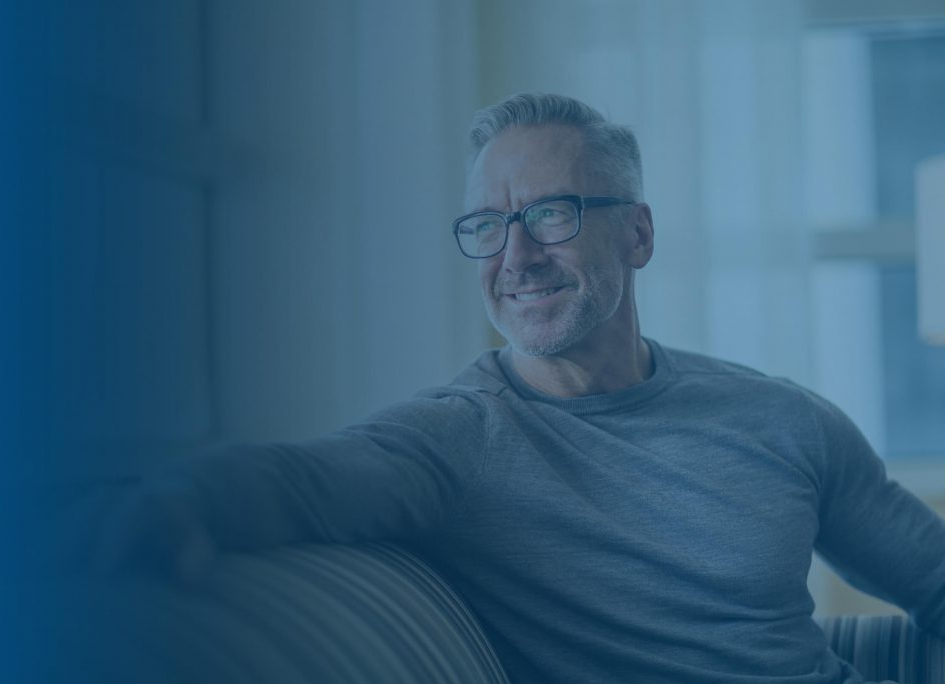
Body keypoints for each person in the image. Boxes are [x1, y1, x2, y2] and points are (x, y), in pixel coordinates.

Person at [96, 93, 945, 684]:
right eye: (487, 226)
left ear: (638, 231)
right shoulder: (454, 442)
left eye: (550, 214)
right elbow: (307, 478)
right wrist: (180, 501)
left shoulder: (783, 418)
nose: (516, 257)